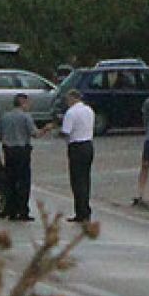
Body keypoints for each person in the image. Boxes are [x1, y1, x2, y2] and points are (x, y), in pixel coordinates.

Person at [0, 93, 42, 221]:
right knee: (23, 181)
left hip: (8, 150)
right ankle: (22, 211)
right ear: (22, 102)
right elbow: (35, 134)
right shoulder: (26, 117)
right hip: (22, 151)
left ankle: (11, 210)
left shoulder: (4, 117)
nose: (29, 105)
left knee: (10, 180)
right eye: (27, 103)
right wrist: (46, 129)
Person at [57, 89, 96, 223]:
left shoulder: (71, 112)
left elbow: (66, 132)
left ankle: (81, 211)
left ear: (73, 98)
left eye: (68, 99)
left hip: (76, 146)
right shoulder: (89, 110)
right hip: (88, 145)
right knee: (86, 179)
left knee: (77, 181)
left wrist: (58, 131)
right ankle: (86, 209)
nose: (67, 102)